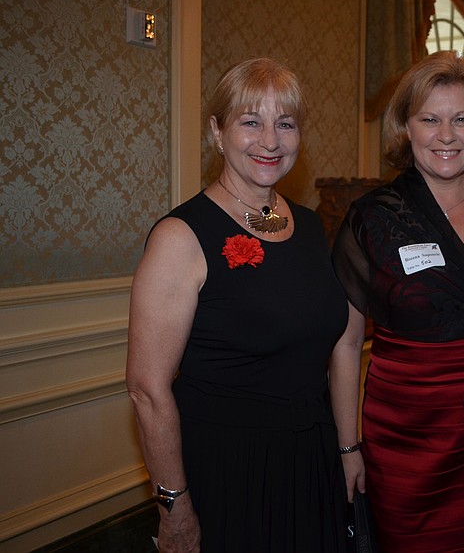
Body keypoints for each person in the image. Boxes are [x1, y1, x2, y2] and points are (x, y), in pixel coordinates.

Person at [125, 58, 349, 552]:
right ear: (217, 133)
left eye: (285, 124)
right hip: (231, 468)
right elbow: (147, 389)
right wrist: (174, 507)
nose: (270, 140)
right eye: (251, 121)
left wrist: (344, 451)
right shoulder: (180, 237)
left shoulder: (311, 227)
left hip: (310, 458)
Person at [329, 50, 464, 553]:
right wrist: (349, 448)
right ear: (405, 128)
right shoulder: (371, 218)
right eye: (429, 119)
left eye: (462, 119)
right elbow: (345, 346)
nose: (447, 135)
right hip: (408, 438)